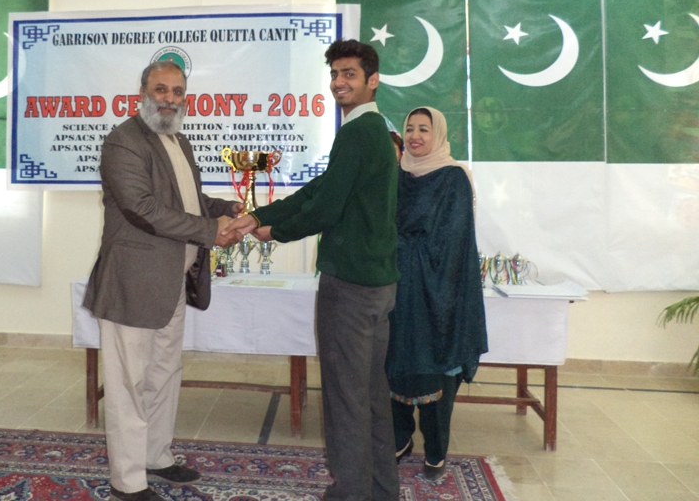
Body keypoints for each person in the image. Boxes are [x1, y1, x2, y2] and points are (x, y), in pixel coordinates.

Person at [225, 39, 400, 501]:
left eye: (350, 74)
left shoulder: (359, 132)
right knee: (371, 395)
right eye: (335, 74)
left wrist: (274, 232)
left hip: (352, 286)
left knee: (346, 399)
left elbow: (325, 207)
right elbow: (322, 188)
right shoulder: (372, 129)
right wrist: (260, 216)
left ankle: (352, 493)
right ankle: (381, 490)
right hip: (377, 284)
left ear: (373, 80)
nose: (339, 82)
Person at [82, 60, 241, 501]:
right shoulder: (124, 141)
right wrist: (211, 231)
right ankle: (128, 481)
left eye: (177, 91)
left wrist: (223, 209)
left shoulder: (178, 140)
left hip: (173, 280)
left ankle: (156, 455)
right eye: (161, 89)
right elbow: (143, 209)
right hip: (133, 282)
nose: (169, 99)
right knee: (128, 384)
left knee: (164, 373)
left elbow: (187, 200)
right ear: (142, 92)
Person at [386, 106, 487, 482]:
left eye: (424, 129)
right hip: (398, 290)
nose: (415, 136)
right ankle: (399, 438)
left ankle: (435, 449)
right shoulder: (397, 175)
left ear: (439, 134)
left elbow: (452, 239)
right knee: (394, 365)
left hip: (440, 293)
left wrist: (399, 243)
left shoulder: (454, 177)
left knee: (436, 372)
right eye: (410, 128)